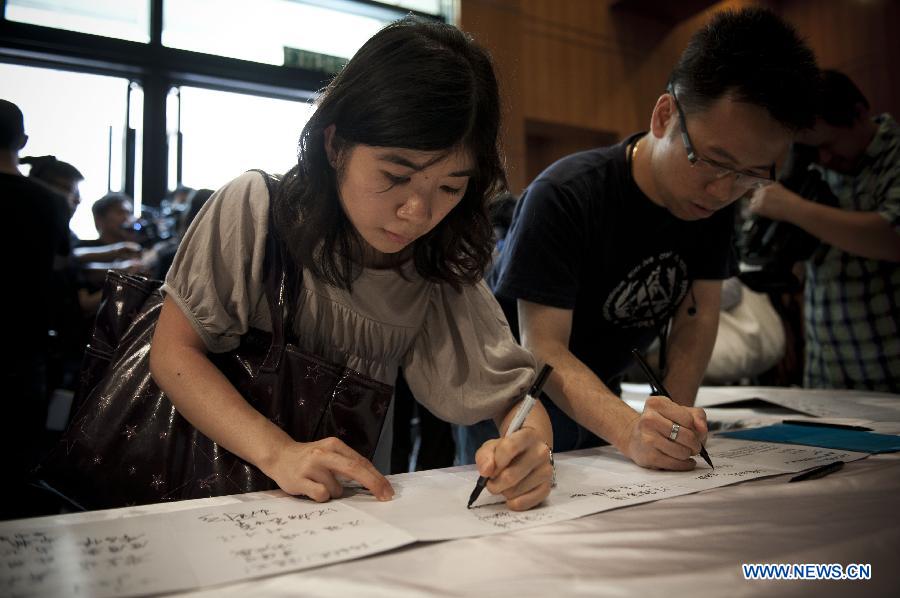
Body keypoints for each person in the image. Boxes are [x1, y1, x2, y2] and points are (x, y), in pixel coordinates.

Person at [148, 17, 554, 511]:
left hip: (346, 517)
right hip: (208, 499)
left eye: (450, 187)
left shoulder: (433, 264)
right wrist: (280, 453)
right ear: (335, 144)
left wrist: (529, 448)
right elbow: (174, 353)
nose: (418, 212)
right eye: (395, 175)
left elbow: (512, 397)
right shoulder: (256, 209)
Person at [485, 8, 820, 470]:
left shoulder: (713, 205)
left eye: (750, 176)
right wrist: (630, 431)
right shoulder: (565, 195)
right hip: (518, 394)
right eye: (714, 161)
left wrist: (673, 422)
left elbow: (696, 320)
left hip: (601, 385)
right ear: (665, 115)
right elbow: (542, 347)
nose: (724, 191)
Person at [749, 70, 900, 391]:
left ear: (859, 113)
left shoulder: (895, 156)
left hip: (889, 366)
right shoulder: (816, 164)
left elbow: (892, 237)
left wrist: (792, 207)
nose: (824, 157)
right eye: (812, 149)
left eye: (828, 144)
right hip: (827, 369)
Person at [0, 99, 70, 518]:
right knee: (18, 460)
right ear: (22, 140)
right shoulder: (49, 203)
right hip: (25, 346)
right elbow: (59, 268)